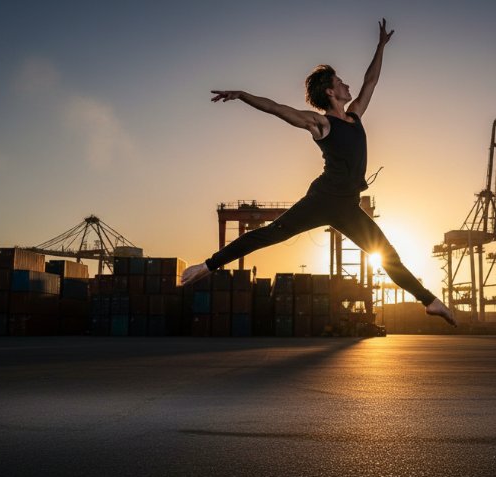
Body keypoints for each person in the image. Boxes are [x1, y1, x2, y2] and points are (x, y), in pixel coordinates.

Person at [181, 19, 456, 327]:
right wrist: (243, 94)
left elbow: (371, 82)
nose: (346, 85)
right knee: (269, 235)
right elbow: (277, 108)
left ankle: (430, 302)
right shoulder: (322, 124)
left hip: (348, 205)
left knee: (388, 254)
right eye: (340, 82)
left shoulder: (354, 115)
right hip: (323, 200)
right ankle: (207, 266)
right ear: (330, 91)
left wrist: (380, 46)